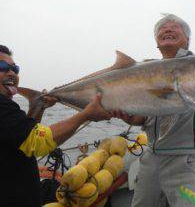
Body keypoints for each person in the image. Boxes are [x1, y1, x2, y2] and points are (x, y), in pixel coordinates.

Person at [112, 14, 195, 207]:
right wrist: (128, 118)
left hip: (187, 161)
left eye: (174, 27)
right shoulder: (147, 71)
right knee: (142, 203)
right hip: (151, 156)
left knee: (192, 205)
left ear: (187, 39)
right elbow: (141, 118)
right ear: (157, 43)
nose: (167, 29)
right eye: (161, 28)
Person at [0, 45, 112, 207]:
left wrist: (37, 107)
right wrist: (86, 115)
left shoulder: (7, 108)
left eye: (15, 68)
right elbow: (35, 142)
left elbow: (22, 142)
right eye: (3, 67)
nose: (11, 73)